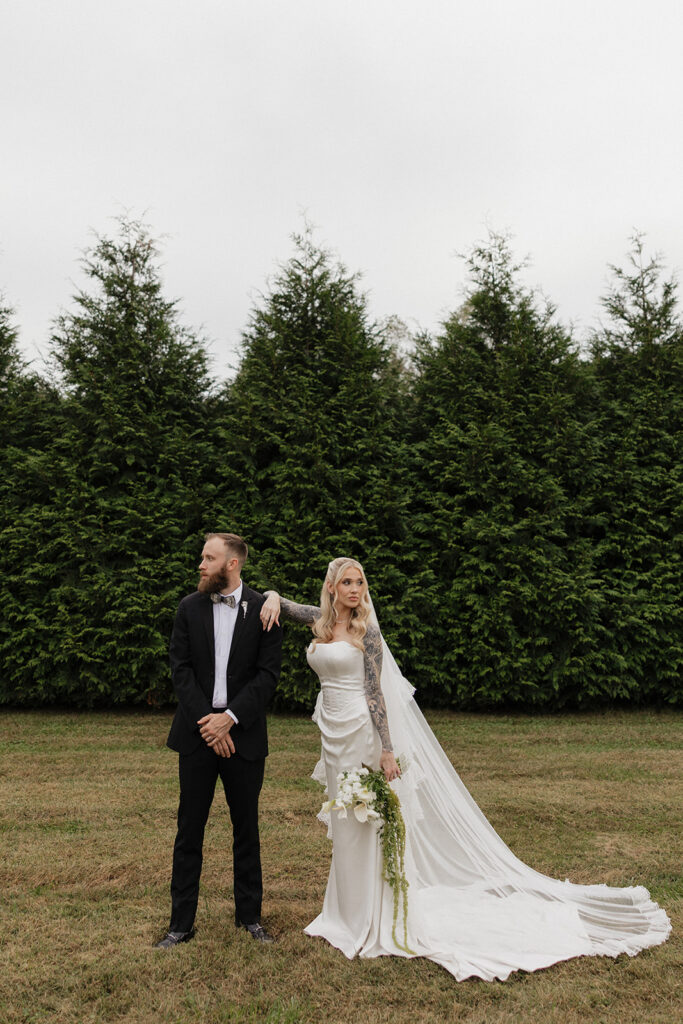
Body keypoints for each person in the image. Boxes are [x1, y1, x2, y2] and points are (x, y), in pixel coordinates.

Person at [260, 557, 671, 982]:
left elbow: (376, 694)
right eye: (347, 582)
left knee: (368, 821)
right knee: (344, 821)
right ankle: (343, 912)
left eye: (360, 582)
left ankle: (372, 918)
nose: (355, 589)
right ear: (331, 588)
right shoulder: (322, 621)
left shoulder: (369, 633)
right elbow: (288, 607)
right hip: (332, 736)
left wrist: (386, 750)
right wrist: (271, 596)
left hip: (362, 733)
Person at [155, 533, 283, 949]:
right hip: (197, 736)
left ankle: (250, 918)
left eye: (209, 558)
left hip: (243, 736)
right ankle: (180, 924)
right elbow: (181, 669)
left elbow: (268, 676)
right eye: (202, 557)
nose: (201, 564)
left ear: (232, 564)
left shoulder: (265, 608)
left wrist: (229, 720)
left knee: (246, 829)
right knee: (188, 830)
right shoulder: (188, 608)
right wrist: (208, 724)